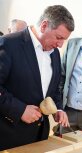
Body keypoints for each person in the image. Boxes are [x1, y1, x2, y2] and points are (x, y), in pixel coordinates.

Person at [0, 5, 74, 150]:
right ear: (44, 25)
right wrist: (20, 110)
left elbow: (54, 88)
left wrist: (57, 109)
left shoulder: (55, 53)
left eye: (64, 40)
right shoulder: (8, 44)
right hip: (9, 135)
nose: (60, 45)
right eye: (59, 37)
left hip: (39, 135)